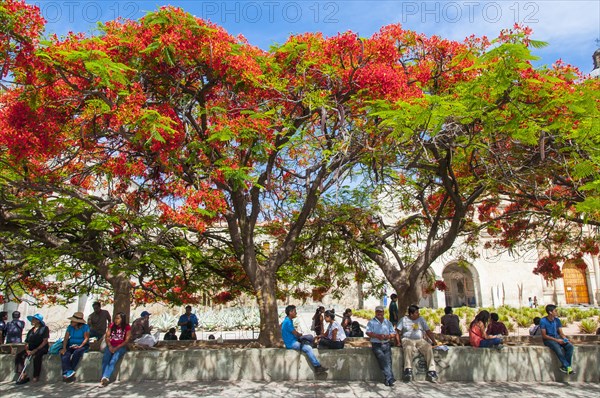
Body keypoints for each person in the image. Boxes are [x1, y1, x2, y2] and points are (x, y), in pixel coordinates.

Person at [396, 305, 438, 383]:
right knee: (408, 348)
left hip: (420, 340)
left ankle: (432, 371)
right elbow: (397, 331)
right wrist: (398, 342)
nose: (418, 314)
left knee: (428, 348)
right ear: (411, 314)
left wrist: (434, 341)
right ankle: (408, 370)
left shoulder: (421, 319)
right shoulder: (403, 320)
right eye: (416, 312)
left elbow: (428, 331)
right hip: (407, 339)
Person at [281, 305, 328, 374]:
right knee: (308, 348)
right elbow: (296, 333)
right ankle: (317, 367)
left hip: (293, 340)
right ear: (290, 312)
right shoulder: (287, 322)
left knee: (309, 338)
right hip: (291, 343)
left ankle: (315, 345)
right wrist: (300, 335)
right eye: (295, 311)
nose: (296, 313)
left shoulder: (287, 320)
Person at [366, 305, 396, 386]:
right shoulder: (371, 322)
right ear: (375, 313)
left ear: (383, 312)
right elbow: (368, 332)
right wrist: (377, 336)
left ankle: (388, 379)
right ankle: (390, 378)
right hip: (376, 344)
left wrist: (388, 336)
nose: (379, 313)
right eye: (377, 311)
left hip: (386, 344)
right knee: (382, 360)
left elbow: (393, 333)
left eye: (381, 311)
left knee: (388, 361)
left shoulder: (388, 322)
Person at [14, 314, 49, 384]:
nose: (32, 321)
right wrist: (27, 350)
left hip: (41, 347)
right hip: (31, 348)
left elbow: (45, 341)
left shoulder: (44, 328)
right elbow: (27, 342)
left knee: (37, 357)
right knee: (19, 356)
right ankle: (22, 374)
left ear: (38, 321)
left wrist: (36, 350)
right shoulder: (31, 330)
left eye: (34, 319)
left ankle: (36, 375)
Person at [540, 304, 575, 374]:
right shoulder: (543, 321)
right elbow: (544, 335)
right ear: (550, 312)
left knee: (570, 346)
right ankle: (568, 366)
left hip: (558, 338)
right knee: (557, 347)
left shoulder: (557, 320)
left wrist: (566, 339)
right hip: (548, 340)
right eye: (555, 311)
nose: (557, 312)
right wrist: (557, 340)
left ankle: (564, 367)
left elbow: (561, 333)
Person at [100, 312, 131, 387]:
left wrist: (117, 347)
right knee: (105, 359)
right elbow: (107, 337)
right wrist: (110, 346)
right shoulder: (112, 325)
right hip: (111, 345)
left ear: (122, 319)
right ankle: (104, 377)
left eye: (118, 318)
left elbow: (127, 340)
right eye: (115, 318)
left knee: (114, 359)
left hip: (121, 347)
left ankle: (106, 376)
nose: (116, 320)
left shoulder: (127, 327)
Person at [60, 311, 90, 381]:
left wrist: (80, 346)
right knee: (65, 354)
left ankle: (70, 371)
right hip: (71, 345)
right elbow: (66, 338)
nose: (71, 322)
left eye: (73, 321)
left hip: (82, 345)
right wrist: (64, 348)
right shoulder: (70, 327)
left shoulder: (85, 327)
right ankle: (67, 372)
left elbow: (86, 338)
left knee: (77, 353)